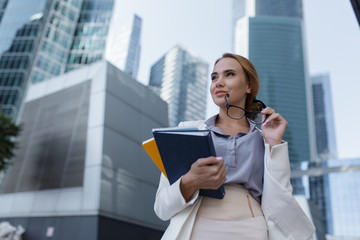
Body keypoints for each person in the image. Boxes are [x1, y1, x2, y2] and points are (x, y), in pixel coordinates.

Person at [154, 53, 315, 240]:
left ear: (248, 86)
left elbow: (281, 197)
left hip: (252, 229)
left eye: (229, 74)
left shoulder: (264, 137)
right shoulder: (186, 131)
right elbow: (161, 208)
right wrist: (190, 181)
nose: (218, 82)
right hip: (197, 228)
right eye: (214, 77)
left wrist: (273, 143)